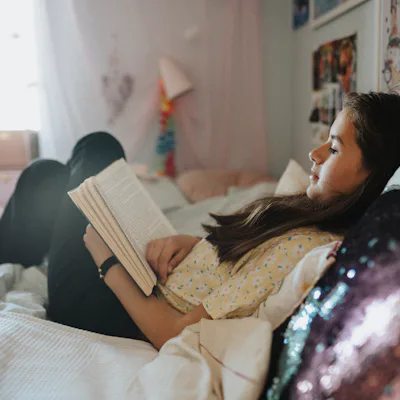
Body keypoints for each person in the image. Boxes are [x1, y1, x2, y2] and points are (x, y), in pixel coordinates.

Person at [1, 92, 399, 350]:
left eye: (332, 147)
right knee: (48, 174)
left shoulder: (306, 248)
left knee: (93, 148)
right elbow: (240, 267)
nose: (314, 154)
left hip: (103, 307)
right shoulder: (306, 216)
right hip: (144, 276)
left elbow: (174, 332)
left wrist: (108, 263)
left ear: (373, 175)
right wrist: (192, 245)